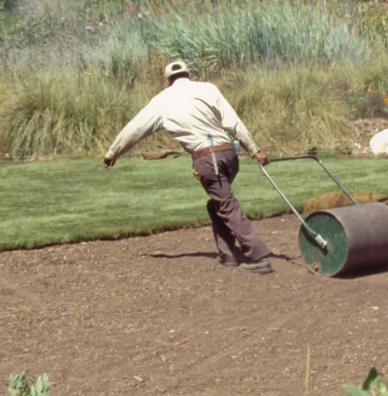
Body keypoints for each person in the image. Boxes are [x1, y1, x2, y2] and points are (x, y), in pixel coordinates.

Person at [103, 61, 274, 274]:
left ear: (167, 81)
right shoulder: (209, 89)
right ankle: (228, 253)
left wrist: (112, 153)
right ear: (190, 75)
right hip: (229, 155)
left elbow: (134, 129)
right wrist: (254, 149)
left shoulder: (161, 101)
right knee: (217, 204)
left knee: (226, 204)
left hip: (206, 159)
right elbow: (233, 122)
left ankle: (258, 255)